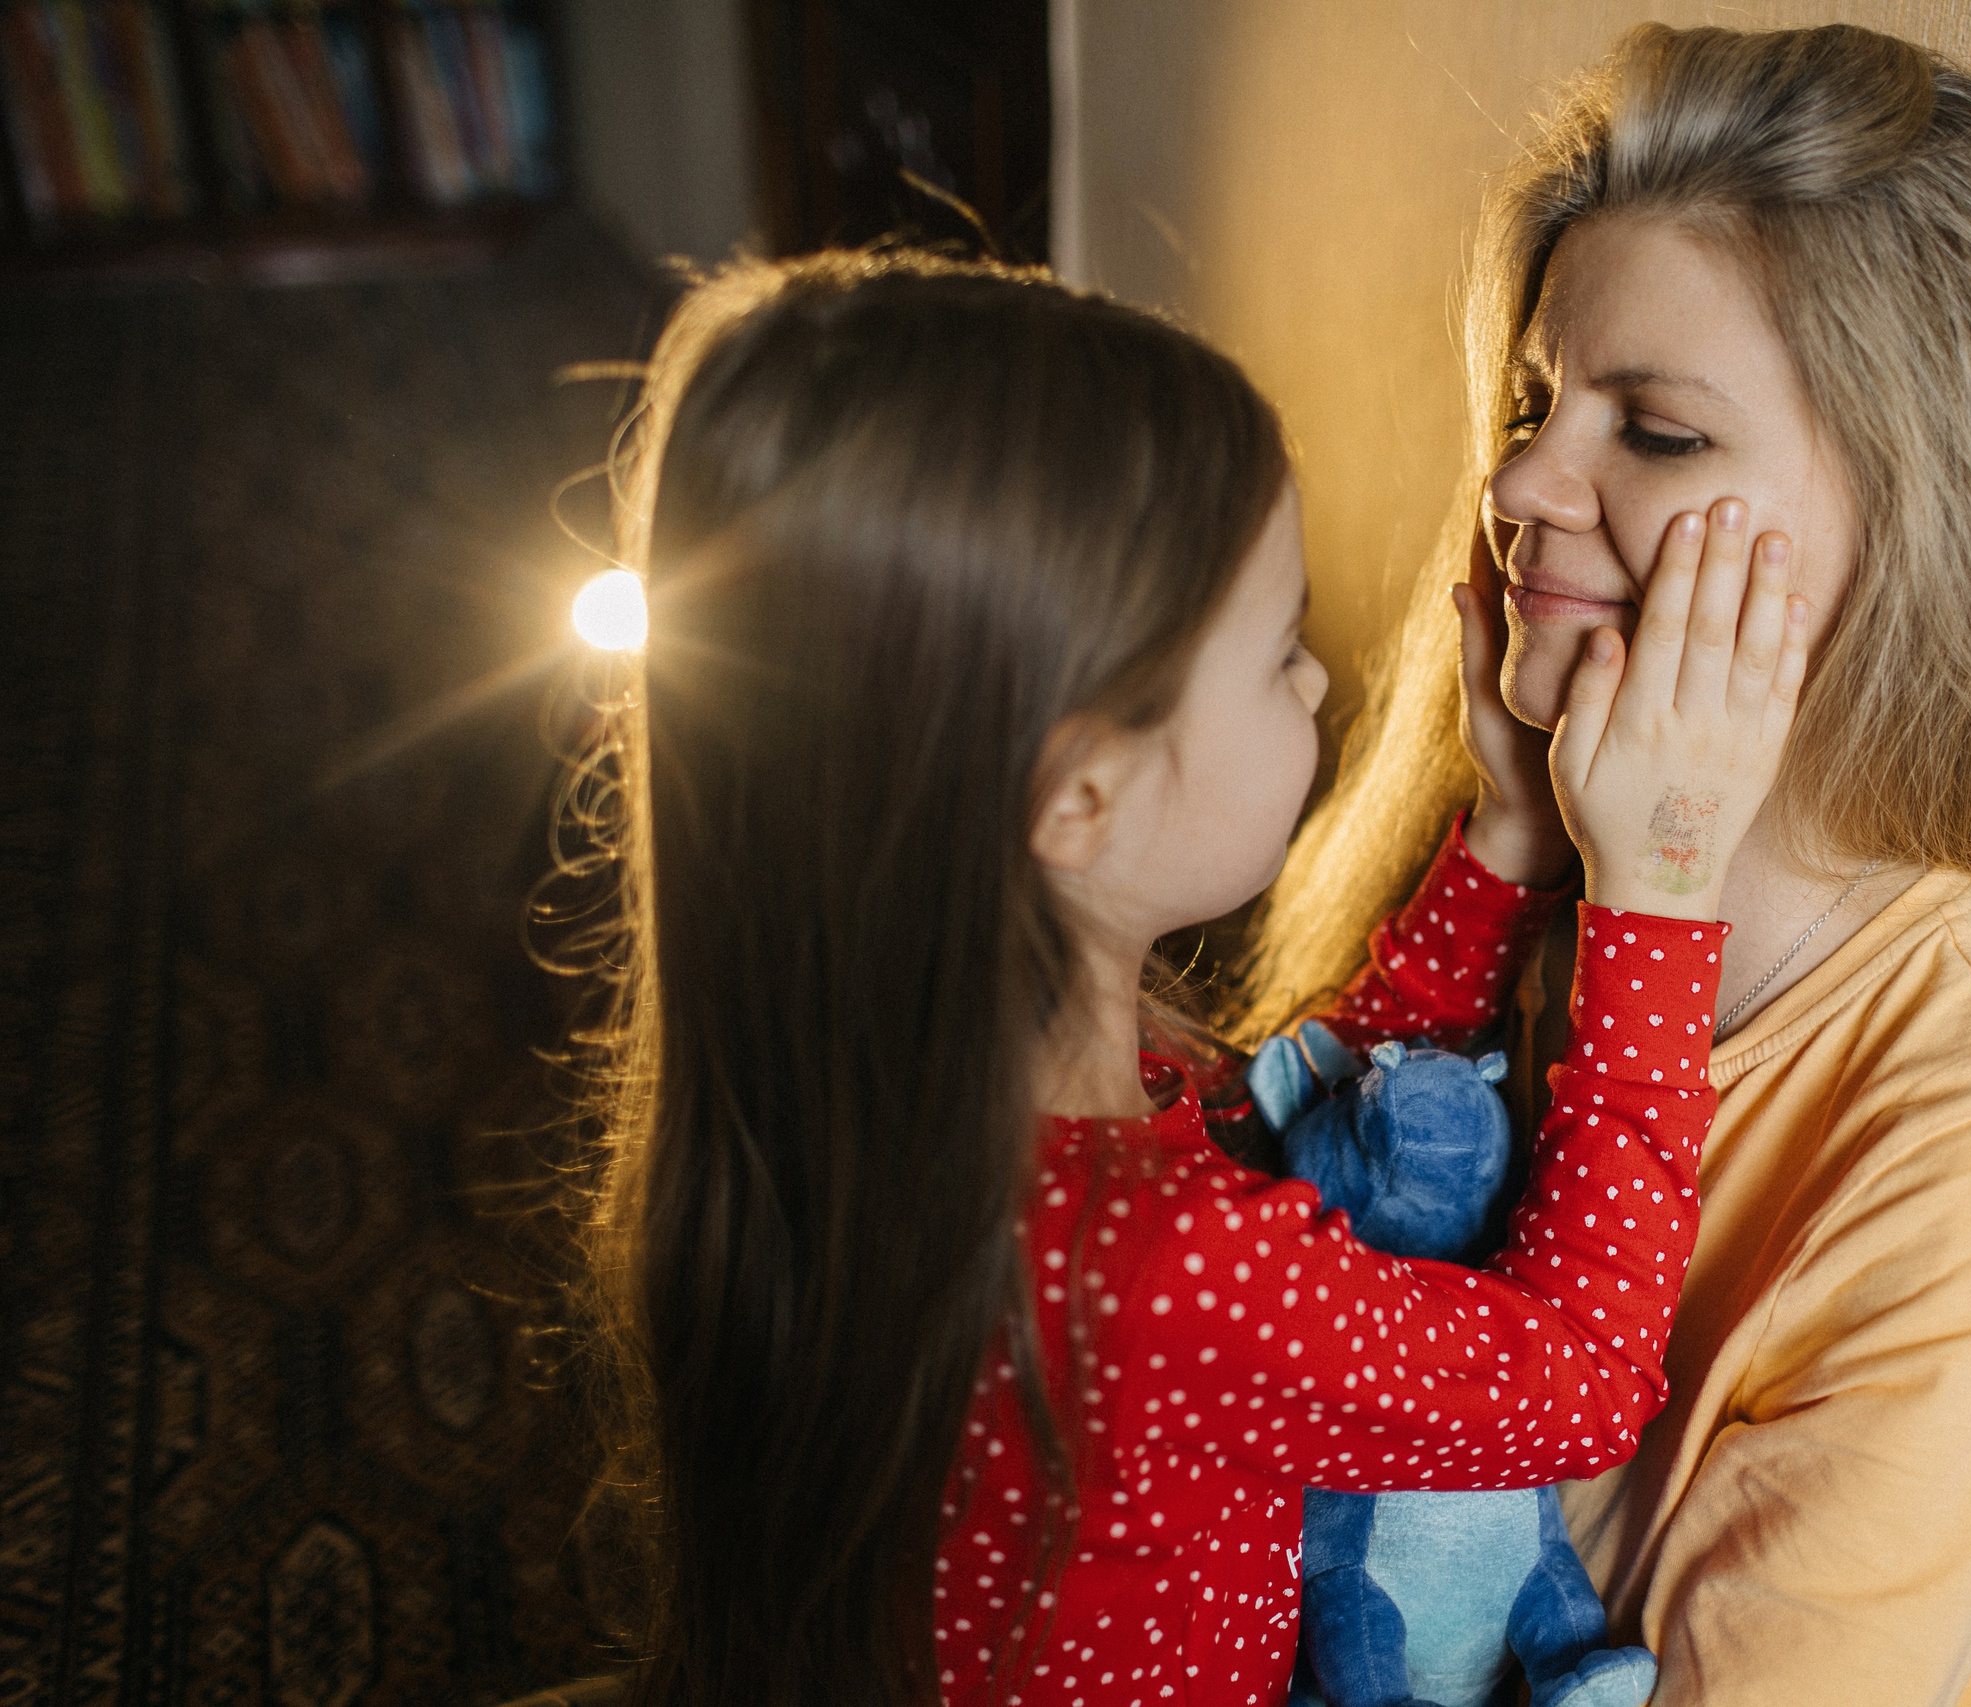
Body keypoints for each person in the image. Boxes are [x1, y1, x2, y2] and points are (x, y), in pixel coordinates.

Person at [570, 248, 1814, 1707]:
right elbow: (1577, 1379)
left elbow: (1292, 1123)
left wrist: (1507, 840)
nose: (1318, 683)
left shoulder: (896, 1117)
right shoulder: (1154, 1267)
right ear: (1080, 796)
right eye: (1281, 650)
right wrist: (1660, 892)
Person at [1243, 22, 1971, 1706]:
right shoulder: (1526, 857)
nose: (1517, 480)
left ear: (1921, 523)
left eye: (1653, 434)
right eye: (1530, 403)